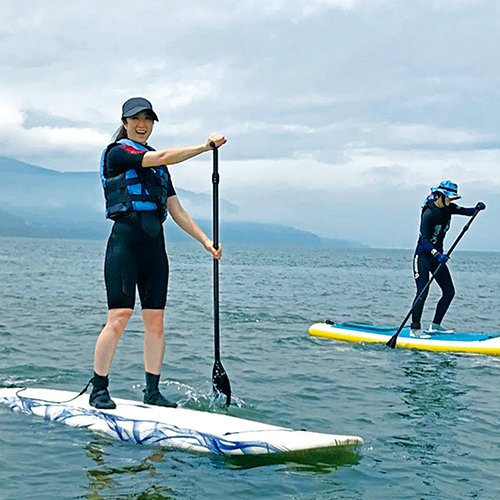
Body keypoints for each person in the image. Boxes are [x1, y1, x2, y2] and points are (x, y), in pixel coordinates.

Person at [90, 97, 226, 409]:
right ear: (124, 123)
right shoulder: (119, 153)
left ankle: (152, 391)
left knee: (156, 321)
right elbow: (165, 154)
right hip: (125, 244)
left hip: (155, 248)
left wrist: (205, 241)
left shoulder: (159, 166)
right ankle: (99, 387)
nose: (142, 125)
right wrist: (205, 148)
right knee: (120, 317)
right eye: (135, 119)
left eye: (148, 119)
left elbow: (175, 209)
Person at [409, 180, 486, 338]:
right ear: (440, 196)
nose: (452, 201)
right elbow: (424, 240)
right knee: (423, 291)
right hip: (423, 256)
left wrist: (477, 209)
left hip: (438, 258)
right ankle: (415, 329)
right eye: (450, 198)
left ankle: (435, 326)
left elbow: (466, 211)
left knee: (449, 291)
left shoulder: (448, 208)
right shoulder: (428, 213)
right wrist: (437, 254)